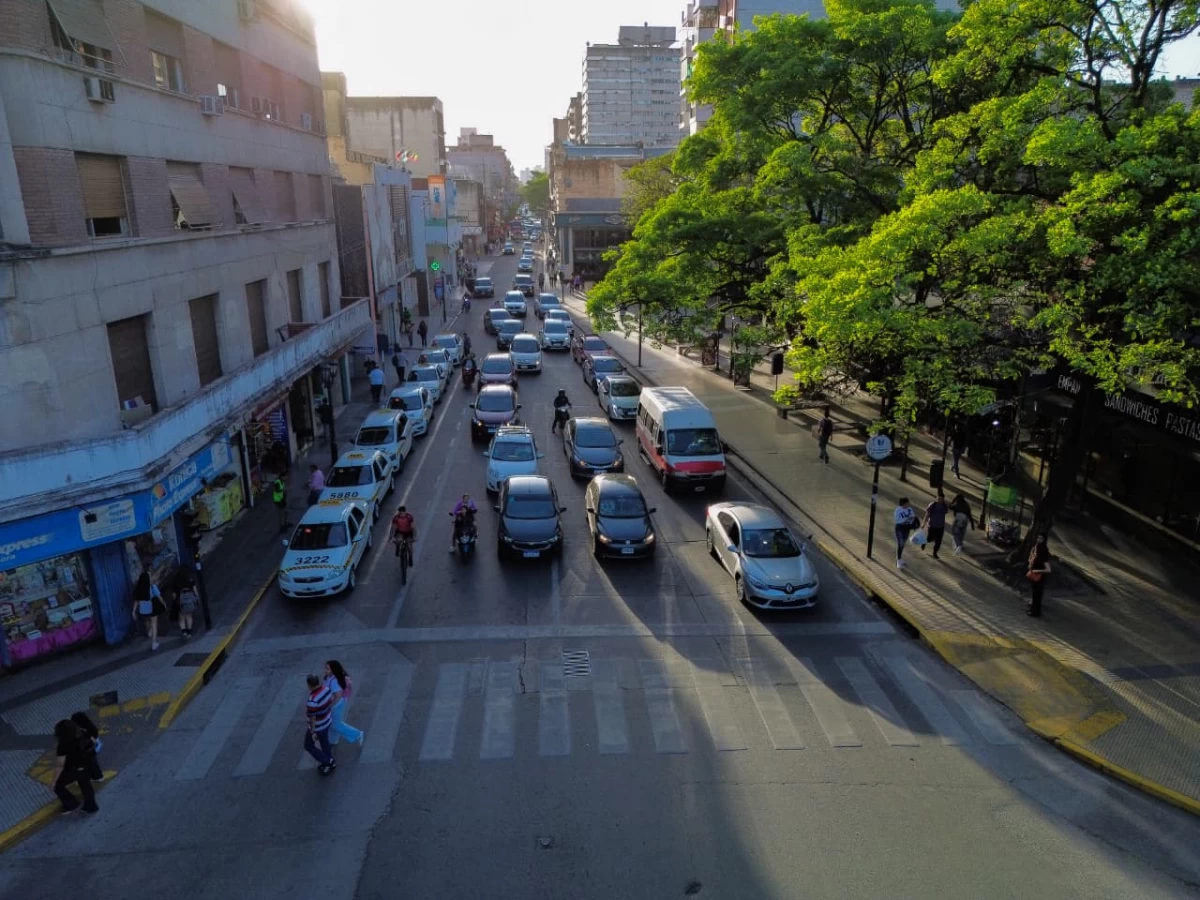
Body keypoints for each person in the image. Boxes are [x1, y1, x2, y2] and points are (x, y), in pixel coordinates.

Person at [52, 719, 98, 815]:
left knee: (57, 786)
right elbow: (94, 742)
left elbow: (60, 765)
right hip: (88, 765)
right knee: (86, 785)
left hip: (74, 770)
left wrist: (54, 781)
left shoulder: (63, 745)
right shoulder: (83, 733)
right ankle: (91, 806)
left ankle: (71, 804)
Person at [324, 660, 364, 747]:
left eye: (327, 669)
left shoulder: (334, 681)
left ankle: (357, 734)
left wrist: (330, 706)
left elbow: (337, 695)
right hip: (337, 703)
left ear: (333, 670)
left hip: (336, 705)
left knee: (336, 725)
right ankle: (333, 740)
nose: (325, 670)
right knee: (332, 723)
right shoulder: (330, 677)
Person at [303, 673, 336, 775]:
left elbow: (312, 717)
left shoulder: (312, 700)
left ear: (309, 685)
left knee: (308, 745)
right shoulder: (326, 689)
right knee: (325, 743)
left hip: (318, 727)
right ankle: (329, 761)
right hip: (327, 721)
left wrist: (313, 732)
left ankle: (328, 761)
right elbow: (330, 702)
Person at [131, 570, 165, 651]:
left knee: (148, 624)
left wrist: (133, 611)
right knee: (154, 625)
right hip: (153, 609)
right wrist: (164, 604)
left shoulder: (139, 589)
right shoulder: (153, 587)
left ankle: (149, 633)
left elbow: (136, 601)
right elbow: (159, 597)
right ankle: (154, 643)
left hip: (143, 611)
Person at [70, 711, 104, 782]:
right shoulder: (90, 727)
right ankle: (97, 776)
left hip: (86, 749)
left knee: (89, 764)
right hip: (89, 749)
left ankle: (94, 776)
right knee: (92, 763)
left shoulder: (84, 730)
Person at [1026, 533, 1052, 617]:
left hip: (1040, 577)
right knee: (1034, 593)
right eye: (1038, 538)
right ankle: (1032, 609)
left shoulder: (1043, 552)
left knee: (1037, 594)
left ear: (1044, 540)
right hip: (1035, 575)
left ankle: (1036, 612)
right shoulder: (1036, 547)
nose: (1039, 540)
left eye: (1041, 539)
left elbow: (1048, 569)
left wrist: (1036, 571)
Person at [922, 492, 950, 559]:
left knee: (938, 541)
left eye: (941, 499)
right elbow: (927, 514)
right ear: (936, 498)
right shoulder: (932, 505)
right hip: (932, 525)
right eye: (939, 498)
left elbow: (946, 512)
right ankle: (924, 542)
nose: (940, 500)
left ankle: (935, 553)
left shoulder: (944, 505)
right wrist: (923, 523)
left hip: (941, 526)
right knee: (929, 538)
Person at [893, 498, 919, 570]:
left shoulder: (909, 509)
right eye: (907, 503)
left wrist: (913, 522)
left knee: (903, 543)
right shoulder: (898, 510)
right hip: (899, 528)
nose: (908, 504)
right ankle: (898, 561)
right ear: (903, 504)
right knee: (900, 543)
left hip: (907, 528)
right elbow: (898, 520)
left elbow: (913, 517)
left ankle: (899, 557)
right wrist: (907, 520)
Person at [174, 568, 199, 639]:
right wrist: (197, 600)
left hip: (181, 602)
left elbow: (174, 595)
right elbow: (195, 591)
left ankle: (184, 632)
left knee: (181, 618)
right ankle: (189, 632)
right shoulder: (191, 580)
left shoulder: (176, 581)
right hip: (190, 602)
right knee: (189, 616)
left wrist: (176, 602)